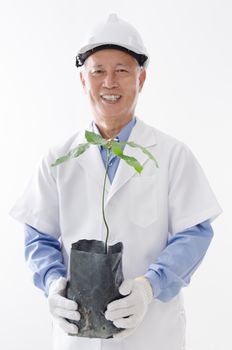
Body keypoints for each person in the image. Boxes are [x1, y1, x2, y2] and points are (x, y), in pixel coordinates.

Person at [10, 13, 222, 350]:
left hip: (153, 335)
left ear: (142, 79)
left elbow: (194, 234)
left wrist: (149, 287)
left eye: (122, 71)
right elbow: (38, 235)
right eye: (98, 72)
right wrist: (52, 284)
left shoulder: (170, 155)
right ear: (83, 81)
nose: (110, 82)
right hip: (77, 337)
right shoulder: (58, 158)